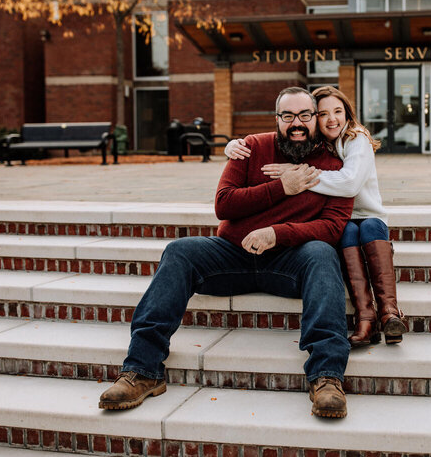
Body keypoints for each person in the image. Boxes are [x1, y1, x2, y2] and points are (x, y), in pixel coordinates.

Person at [99, 86, 354, 419]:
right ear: (276, 119)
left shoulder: (335, 163)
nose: (297, 123)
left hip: (291, 261)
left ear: (316, 119)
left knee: (322, 253)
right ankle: (142, 370)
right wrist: (281, 188)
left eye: (305, 115)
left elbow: (333, 226)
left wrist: (277, 233)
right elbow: (224, 204)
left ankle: (326, 377)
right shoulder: (251, 148)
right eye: (288, 116)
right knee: (180, 250)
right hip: (233, 255)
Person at [226, 86, 407, 348]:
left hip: (367, 214)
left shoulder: (357, 138)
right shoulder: (317, 145)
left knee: (367, 229)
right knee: (346, 232)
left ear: (348, 113)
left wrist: (298, 173)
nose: (332, 119)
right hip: (343, 219)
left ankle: (389, 313)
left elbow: (349, 184)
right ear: (315, 118)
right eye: (324, 114)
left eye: (338, 111)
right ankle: (366, 317)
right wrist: (233, 145)